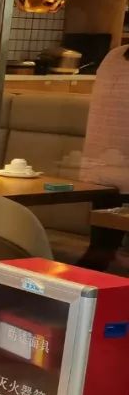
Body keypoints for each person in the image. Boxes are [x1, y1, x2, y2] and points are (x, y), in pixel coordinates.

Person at [79, 44, 129, 273]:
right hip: (119, 171)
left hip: (101, 170)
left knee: (101, 248)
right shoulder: (115, 57)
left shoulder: (114, 56)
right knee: (102, 251)